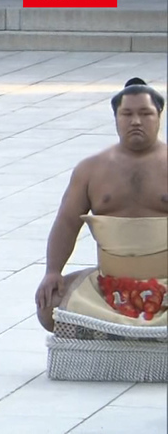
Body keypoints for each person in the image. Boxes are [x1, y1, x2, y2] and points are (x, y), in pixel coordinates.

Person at [35, 78, 167, 332]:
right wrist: (52, 270)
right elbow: (66, 222)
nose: (136, 121)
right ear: (116, 117)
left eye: (145, 113)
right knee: (49, 305)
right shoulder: (90, 169)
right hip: (110, 284)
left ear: (159, 116)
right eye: (127, 113)